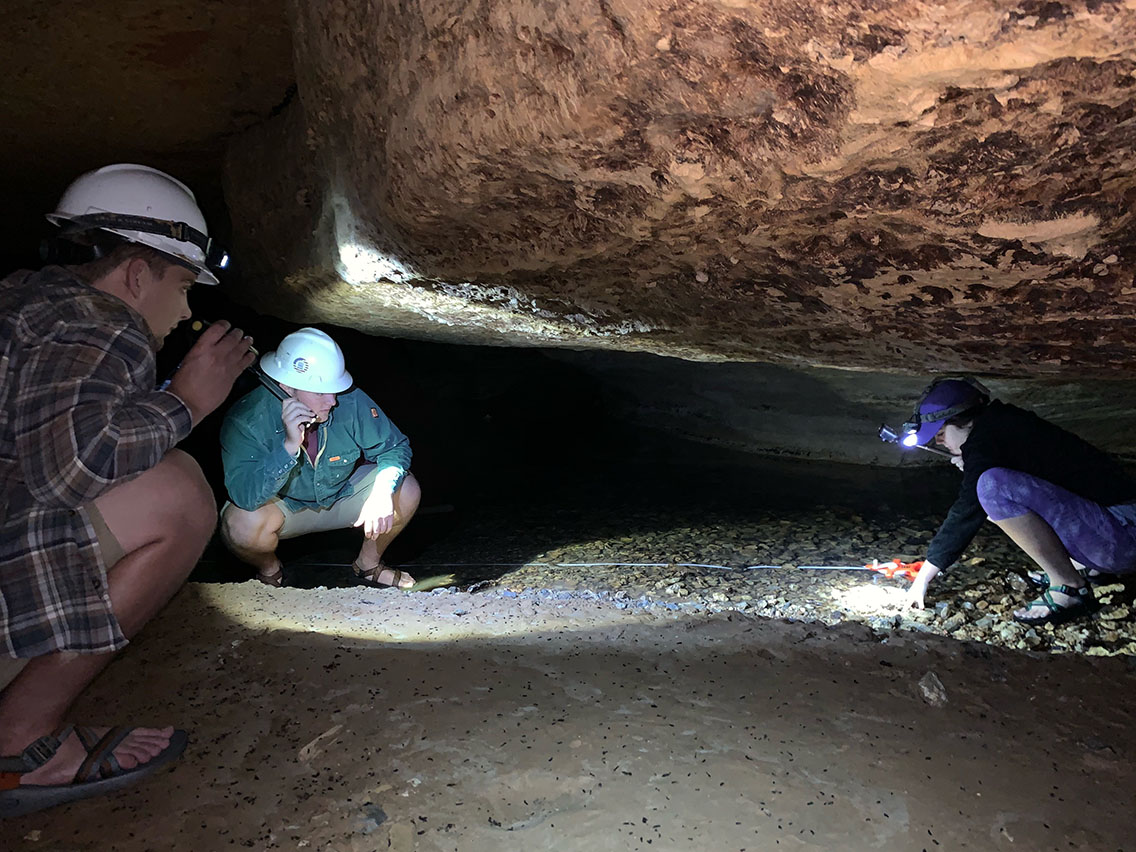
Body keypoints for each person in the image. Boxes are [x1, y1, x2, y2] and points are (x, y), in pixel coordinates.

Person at [0, 164, 255, 817]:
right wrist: (187, 404)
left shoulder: (23, 304)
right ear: (137, 274)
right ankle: (20, 744)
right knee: (177, 493)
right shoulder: (99, 321)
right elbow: (73, 468)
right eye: (182, 285)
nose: (188, 309)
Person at [897, 377, 1136, 625]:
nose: (939, 442)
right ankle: (1083, 567)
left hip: (1121, 538)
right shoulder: (1005, 425)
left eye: (941, 433)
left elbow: (966, 509)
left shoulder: (987, 440)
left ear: (963, 421)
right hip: (1118, 531)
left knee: (991, 486)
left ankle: (1069, 585)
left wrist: (924, 577)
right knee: (990, 496)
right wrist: (972, 464)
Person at [218, 328, 421, 588]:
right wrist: (289, 447)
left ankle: (368, 565)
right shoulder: (245, 421)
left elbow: (394, 448)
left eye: (334, 390)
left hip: (341, 494)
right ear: (286, 388)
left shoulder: (351, 401)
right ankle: (270, 571)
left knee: (405, 489)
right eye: (320, 392)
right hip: (283, 507)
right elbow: (244, 496)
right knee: (240, 524)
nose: (332, 401)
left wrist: (382, 491)